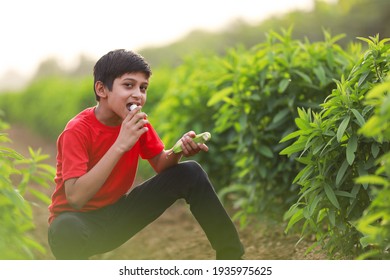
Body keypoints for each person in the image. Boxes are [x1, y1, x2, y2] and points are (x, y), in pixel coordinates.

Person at [47, 49, 244, 260]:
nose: (138, 95)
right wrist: (120, 144)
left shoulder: (137, 122)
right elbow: (76, 198)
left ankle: (231, 259)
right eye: (128, 85)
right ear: (102, 89)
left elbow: (160, 164)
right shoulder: (77, 130)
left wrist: (178, 149)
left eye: (143, 88)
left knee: (190, 172)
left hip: (118, 217)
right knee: (65, 228)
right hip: (78, 225)